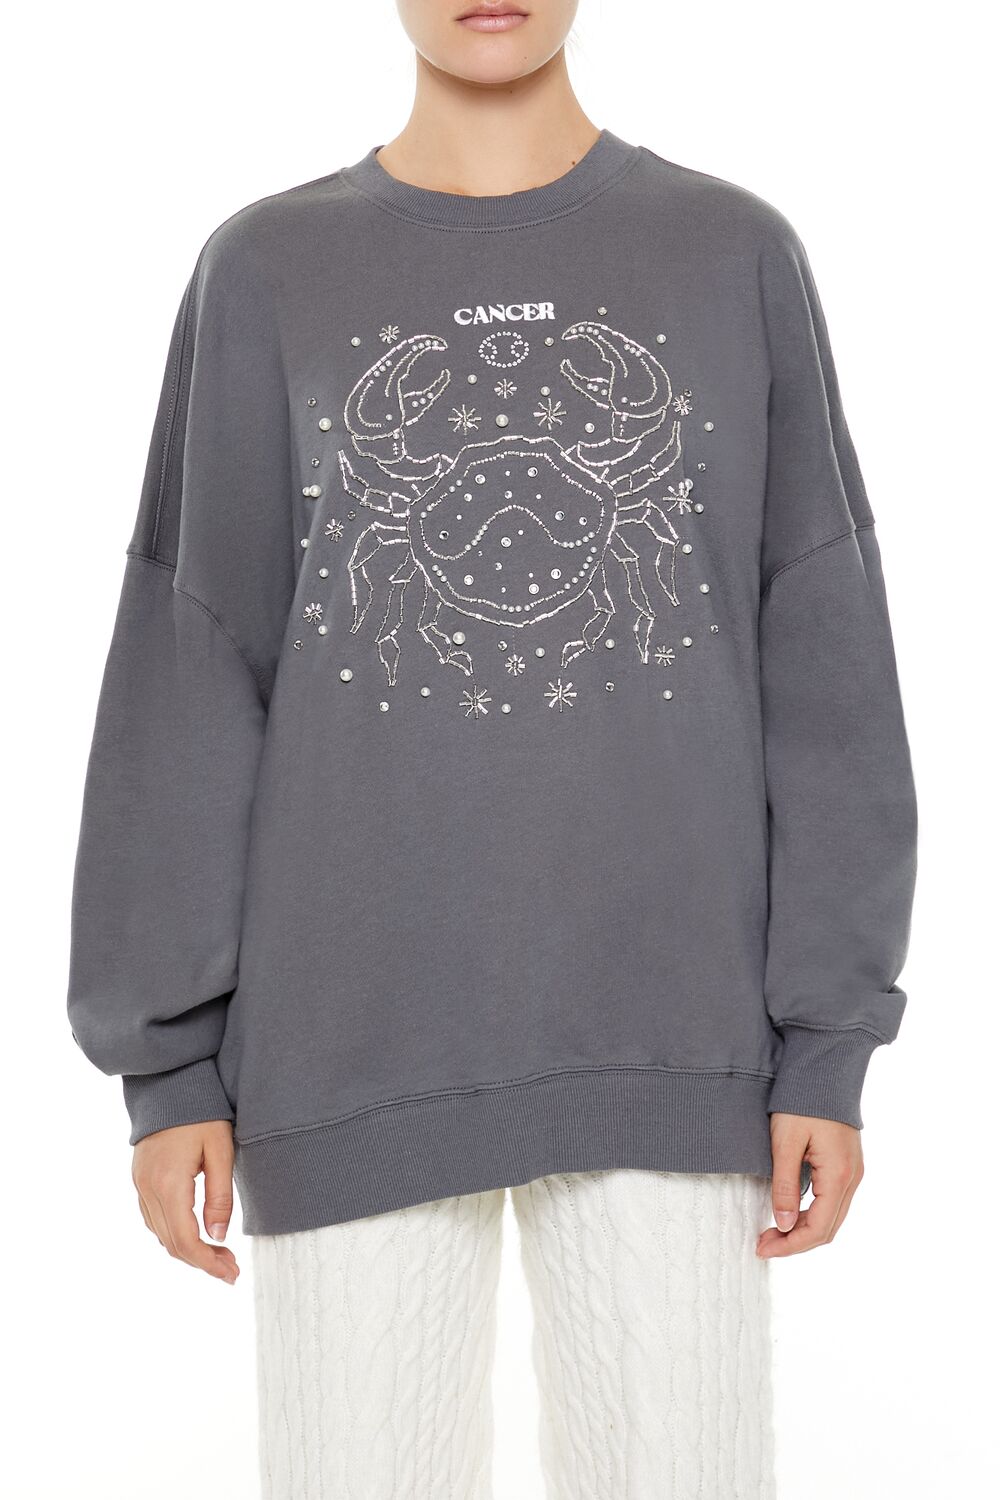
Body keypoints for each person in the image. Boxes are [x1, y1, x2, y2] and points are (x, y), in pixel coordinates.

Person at [66, 1, 918, 1495]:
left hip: (675, 1034)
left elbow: (826, 663)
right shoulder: (264, 270)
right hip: (347, 1045)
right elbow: (190, 669)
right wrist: (170, 1067)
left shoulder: (734, 255)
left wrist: (829, 1037)